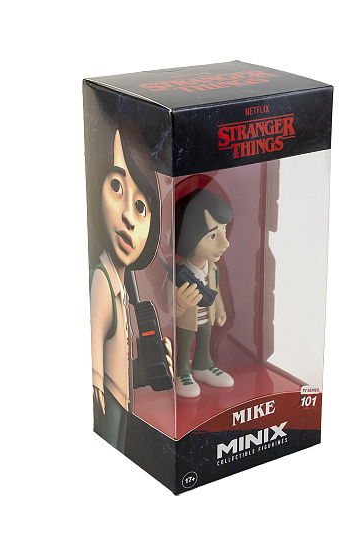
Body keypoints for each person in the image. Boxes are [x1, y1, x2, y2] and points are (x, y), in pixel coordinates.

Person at [87, 123, 171, 451]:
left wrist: (145, 372)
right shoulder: (102, 281)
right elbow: (94, 344)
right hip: (105, 402)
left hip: (123, 400)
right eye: (116, 186)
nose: (129, 218)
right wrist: (94, 382)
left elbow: (118, 362)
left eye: (140, 206)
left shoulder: (122, 292)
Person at [168, 188, 234, 398]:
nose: (225, 242)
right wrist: (179, 303)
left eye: (224, 230)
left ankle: (203, 365)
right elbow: (166, 304)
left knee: (205, 337)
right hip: (186, 319)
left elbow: (216, 291)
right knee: (184, 341)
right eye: (213, 235)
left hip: (207, 316)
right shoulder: (178, 273)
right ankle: (182, 372)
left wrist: (220, 310)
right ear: (189, 235)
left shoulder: (213, 268)